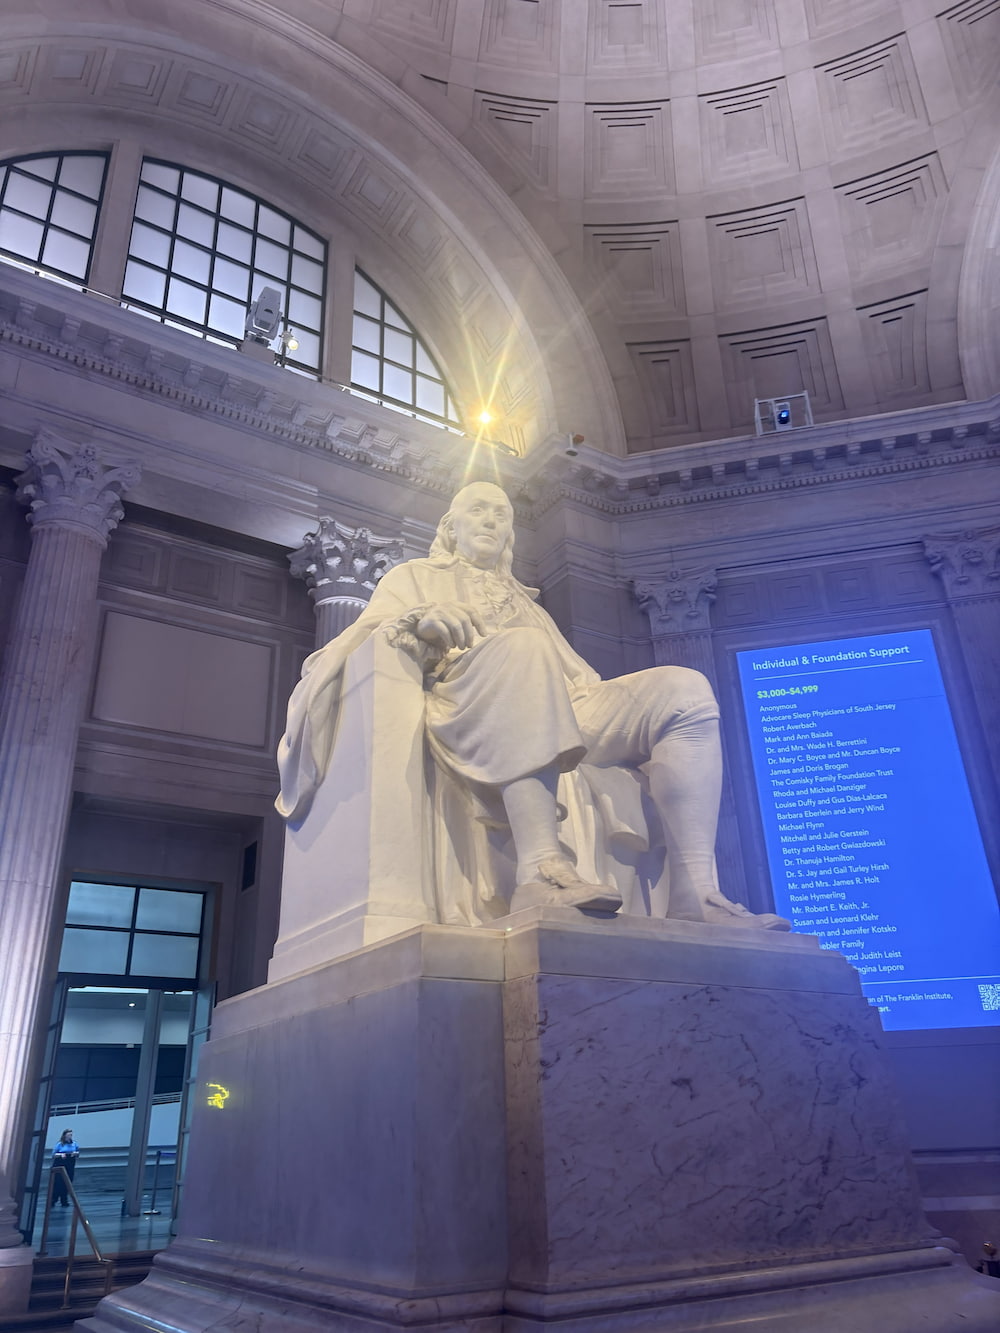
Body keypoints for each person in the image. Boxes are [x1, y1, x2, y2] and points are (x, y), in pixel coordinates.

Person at [277, 482, 787, 928]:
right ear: (450, 527)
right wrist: (422, 621)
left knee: (684, 688)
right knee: (525, 650)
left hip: (561, 700)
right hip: (463, 700)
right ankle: (540, 868)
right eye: (479, 510)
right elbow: (367, 635)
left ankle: (696, 891)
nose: (492, 520)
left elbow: (578, 680)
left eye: (502, 515)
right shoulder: (414, 577)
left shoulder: (526, 603)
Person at [51, 1128, 79, 1207]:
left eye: (71, 1135)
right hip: (60, 1163)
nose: (70, 1136)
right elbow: (53, 1155)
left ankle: (64, 1200)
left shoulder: (74, 1144)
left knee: (67, 1182)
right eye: (69, 1135)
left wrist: (75, 1153)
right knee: (58, 1183)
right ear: (65, 1135)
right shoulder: (60, 1144)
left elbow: (78, 1152)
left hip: (70, 1163)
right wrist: (60, 1155)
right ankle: (53, 1199)